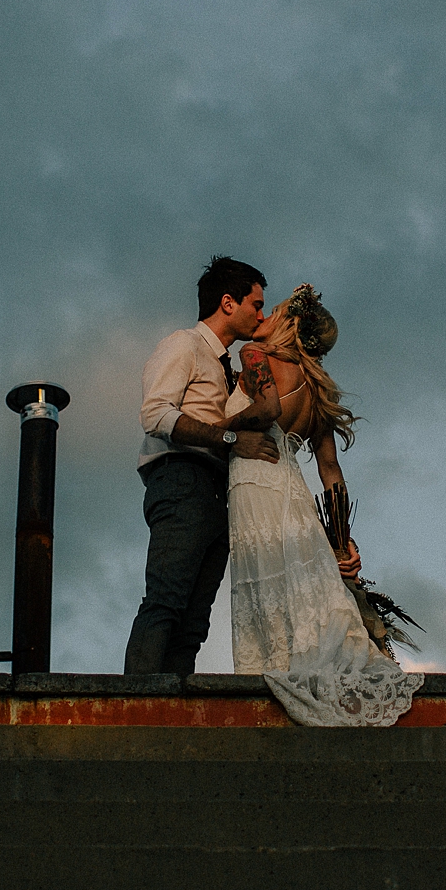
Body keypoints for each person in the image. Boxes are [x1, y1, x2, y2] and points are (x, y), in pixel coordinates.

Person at [222, 284, 423, 726]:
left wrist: (216, 429)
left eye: (272, 311)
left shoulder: (255, 356)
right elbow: (331, 471)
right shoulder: (315, 386)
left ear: (289, 324)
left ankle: (273, 672)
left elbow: (265, 407)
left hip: (255, 479)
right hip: (291, 487)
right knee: (301, 582)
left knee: (268, 579)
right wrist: (342, 542)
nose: (263, 319)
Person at [125, 256, 279, 675]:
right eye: (256, 304)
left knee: (194, 623)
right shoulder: (184, 345)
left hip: (215, 490)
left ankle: (172, 721)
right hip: (181, 479)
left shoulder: (226, 364)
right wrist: (230, 439)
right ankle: (135, 711)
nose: (261, 314)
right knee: (165, 602)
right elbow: (156, 414)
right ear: (228, 303)